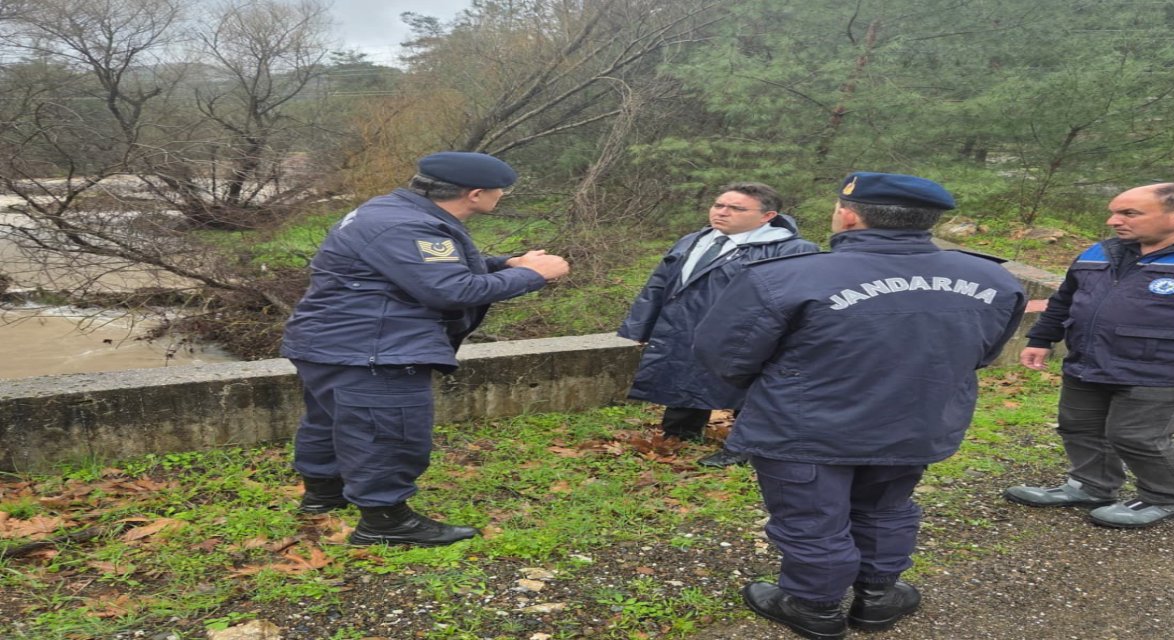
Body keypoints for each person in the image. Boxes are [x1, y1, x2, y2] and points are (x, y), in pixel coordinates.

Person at [693, 172, 1026, 639]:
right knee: (886, 507)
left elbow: (724, 356)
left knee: (813, 518)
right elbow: (984, 352)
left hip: (804, 427)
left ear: (848, 216)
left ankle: (813, 606)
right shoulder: (991, 277)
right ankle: (878, 596)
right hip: (917, 421)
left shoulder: (785, 277)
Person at [281, 151, 570, 547]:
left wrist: (507, 264)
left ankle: (323, 495)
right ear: (475, 194)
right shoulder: (408, 225)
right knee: (389, 432)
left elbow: (426, 268)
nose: (502, 196)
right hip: (375, 348)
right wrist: (532, 276)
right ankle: (384, 521)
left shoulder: (392, 210)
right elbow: (451, 289)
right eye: (501, 190)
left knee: (330, 420)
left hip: (335, 342)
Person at [1004, 183, 1174, 528]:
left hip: (1167, 370)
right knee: (1080, 427)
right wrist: (1042, 337)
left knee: (1137, 436)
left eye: (1128, 213)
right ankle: (1091, 486)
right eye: (1114, 212)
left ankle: (1167, 496)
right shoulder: (1101, 250)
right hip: (1090, 361)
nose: (1113, 221)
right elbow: (1066, 298)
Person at [618, 182, 819, 468]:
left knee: (749, 387)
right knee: (684, 372)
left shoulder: (791, 249)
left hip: (748, 334)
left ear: (767, 216)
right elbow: (659, 284)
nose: (722, 212)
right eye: (718, 205)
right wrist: (640, 327)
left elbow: (796, 297)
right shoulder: (694, 240)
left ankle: (745, 446)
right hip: (686, 324)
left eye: (736, 208)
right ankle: (680, 432)